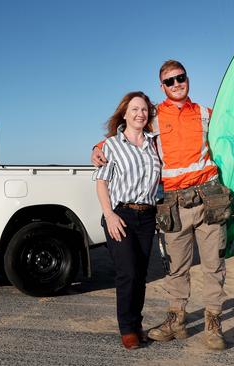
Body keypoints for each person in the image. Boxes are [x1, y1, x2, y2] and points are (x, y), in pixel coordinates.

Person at [92, 60, 234, 351]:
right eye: (169, 81)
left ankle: (213, 324)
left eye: (181, 78)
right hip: (173, 204)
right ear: (162, 87)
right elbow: (126, 134)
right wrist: (97, 149)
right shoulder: (152, 120)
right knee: (176, 268)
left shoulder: (207, 114)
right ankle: (176, 321)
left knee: (214, 265)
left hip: (209, 198)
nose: (176, 84)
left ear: (187, 79)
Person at [93, 91, 161, 350]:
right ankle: (126, 329)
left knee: (140, 274)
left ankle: (137, 323)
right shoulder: (110, 145)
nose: (139, 114)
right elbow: (102, 183)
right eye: (134, 109)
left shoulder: (154, 144)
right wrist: (109, 215)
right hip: (120, 215)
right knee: (127, 272)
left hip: (147, 216)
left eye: (144, 109)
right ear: (124, 113)